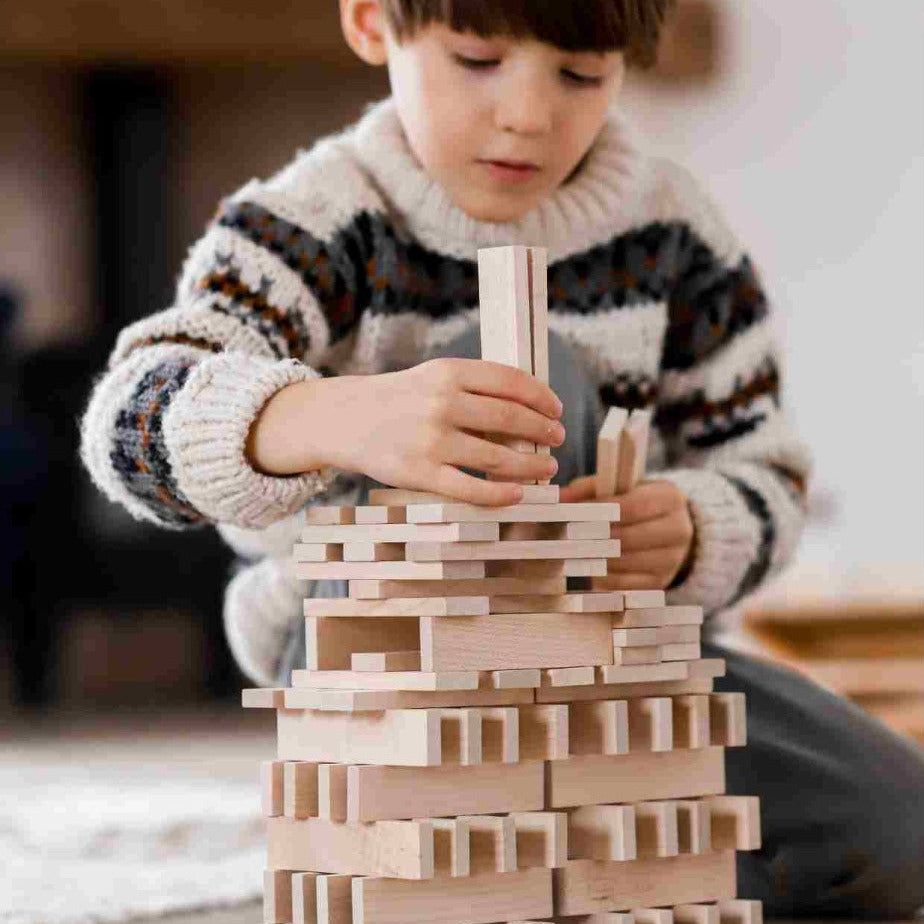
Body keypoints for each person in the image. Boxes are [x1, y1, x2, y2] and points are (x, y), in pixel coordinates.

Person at [79, 0, 923, 913]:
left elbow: (770, 474)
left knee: (901, 825)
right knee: (532, 367)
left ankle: (608, 865)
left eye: (580, 75)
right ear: (372, 23)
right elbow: (128, 424)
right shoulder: (313, 223)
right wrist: (329, 416)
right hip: (374, 665)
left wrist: (689, 528)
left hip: (620, 665)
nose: (527, 115)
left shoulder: (679, 237)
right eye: (477, 58)